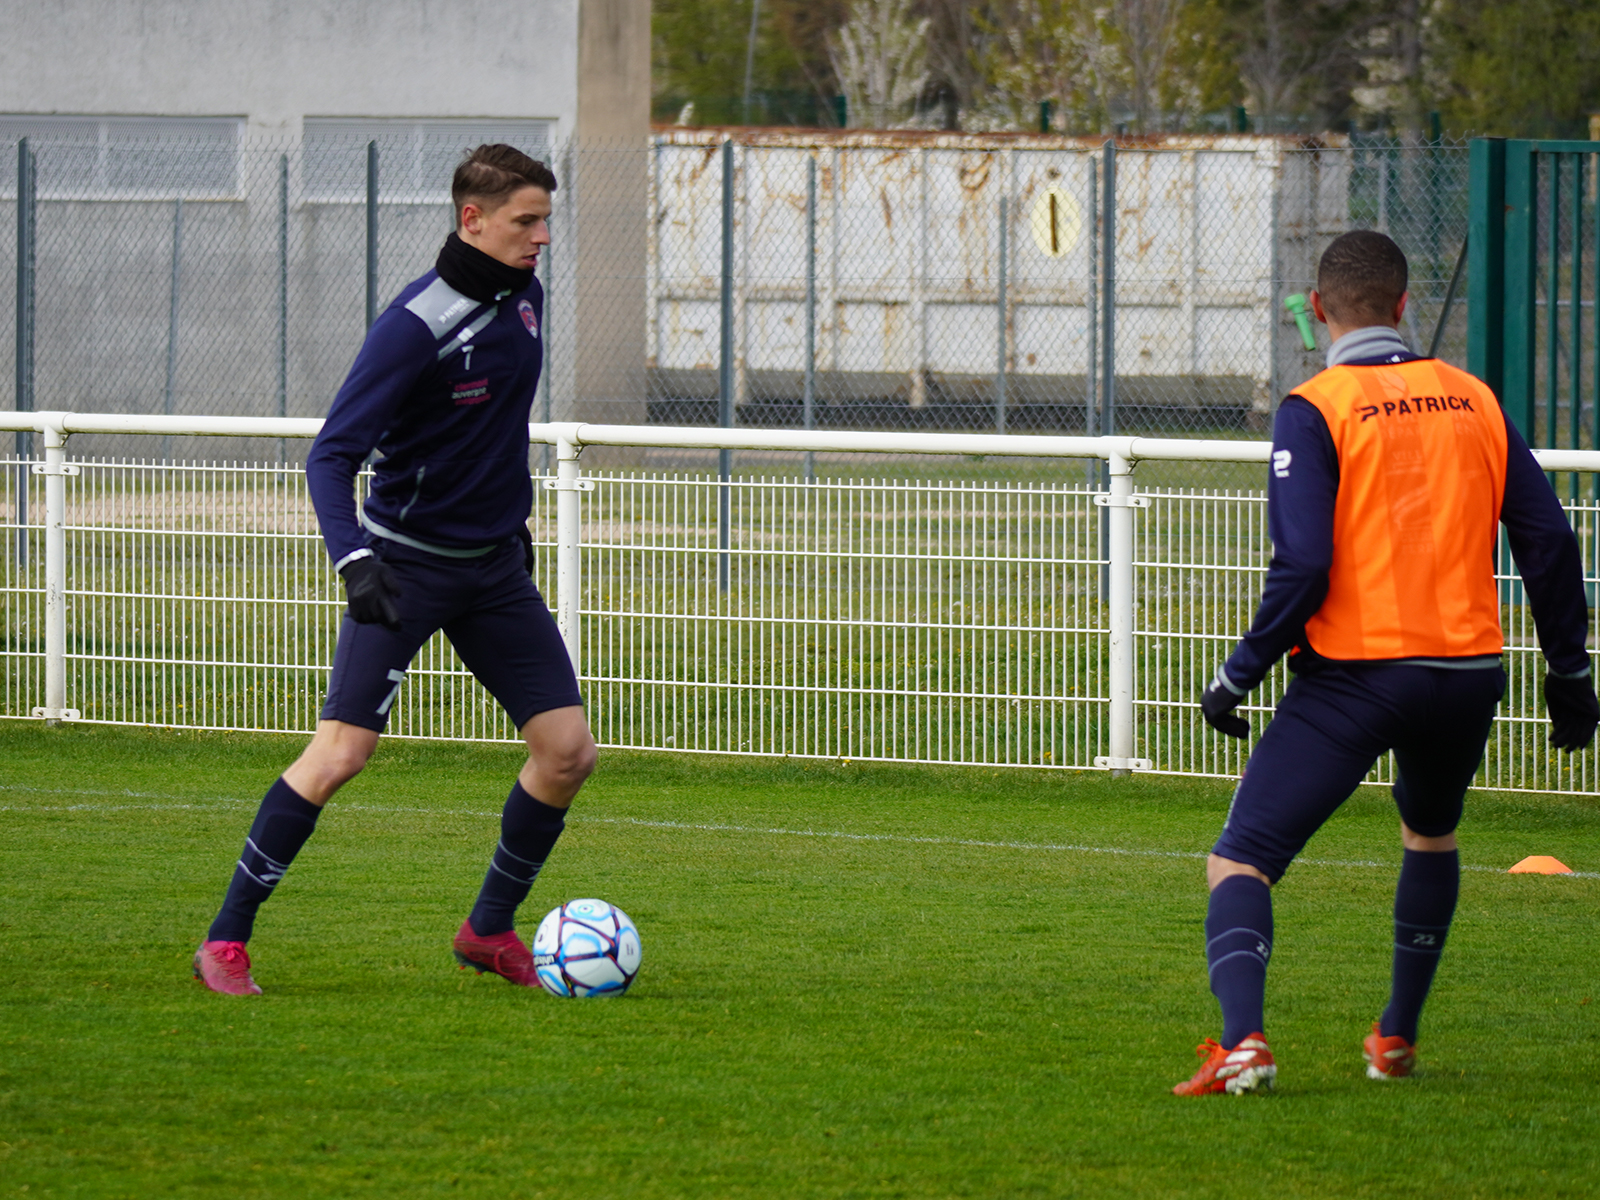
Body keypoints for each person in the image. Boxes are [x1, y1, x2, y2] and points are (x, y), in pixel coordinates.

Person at [1174, 230, 1598, 1095]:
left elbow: (1303, 564)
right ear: (1404, 305)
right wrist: (1570, 674)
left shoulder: (1316, 406)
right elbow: (1550, 543)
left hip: (1358, 674)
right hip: (1468, 674)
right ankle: (1395, 1038)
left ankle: (1244, 1043)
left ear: (1318, 309)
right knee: (1430, 833)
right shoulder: (1473, 397)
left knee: (1242, 858)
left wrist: (1237, 673)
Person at [193, 144, 595, 996]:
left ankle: (488, 930)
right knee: (341, 754)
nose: (542, 238)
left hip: (493, 571)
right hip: (404, 570)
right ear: (472, 219)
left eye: (546, 220)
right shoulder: (414, 326)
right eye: (526, 221)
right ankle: (225, 942)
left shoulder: (525, 298)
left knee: (566, 754)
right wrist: (356, 561)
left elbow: (491, 431)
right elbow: (330, 455)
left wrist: (510, 523)